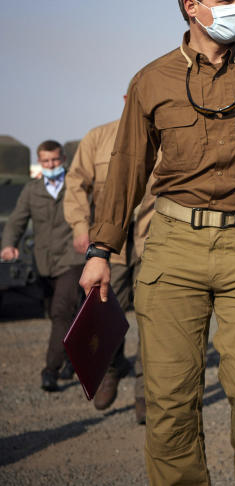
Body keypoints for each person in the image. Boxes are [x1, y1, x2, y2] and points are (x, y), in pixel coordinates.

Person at [79, 0, 235, 485]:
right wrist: (100, 252)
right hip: (171, 246)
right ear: (192, 6)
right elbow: (127, 169)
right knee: (171, 400)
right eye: (227, 0)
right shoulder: (152, 79)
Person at [64, 116, 156, 417]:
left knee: (153, 321)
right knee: (103, 314)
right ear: (128, 98)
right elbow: (76, 181)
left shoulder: (171, 133)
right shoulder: (99, 137)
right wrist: (80, 227)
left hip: (153, 243)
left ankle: (145, 392)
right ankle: (113, 367)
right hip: (110, 246)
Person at [1, 140, 86, 392]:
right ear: (40, 162)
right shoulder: (31, 190)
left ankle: (50, 371)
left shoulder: (76, 187)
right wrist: (8, 244)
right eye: (46, 161)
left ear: (63, 160)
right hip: (45, 263)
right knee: (59, 314)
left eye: (55, 161)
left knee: (61, 311)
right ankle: (72, 359)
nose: (51, 165)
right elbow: (16, 221)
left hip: (72, 259)